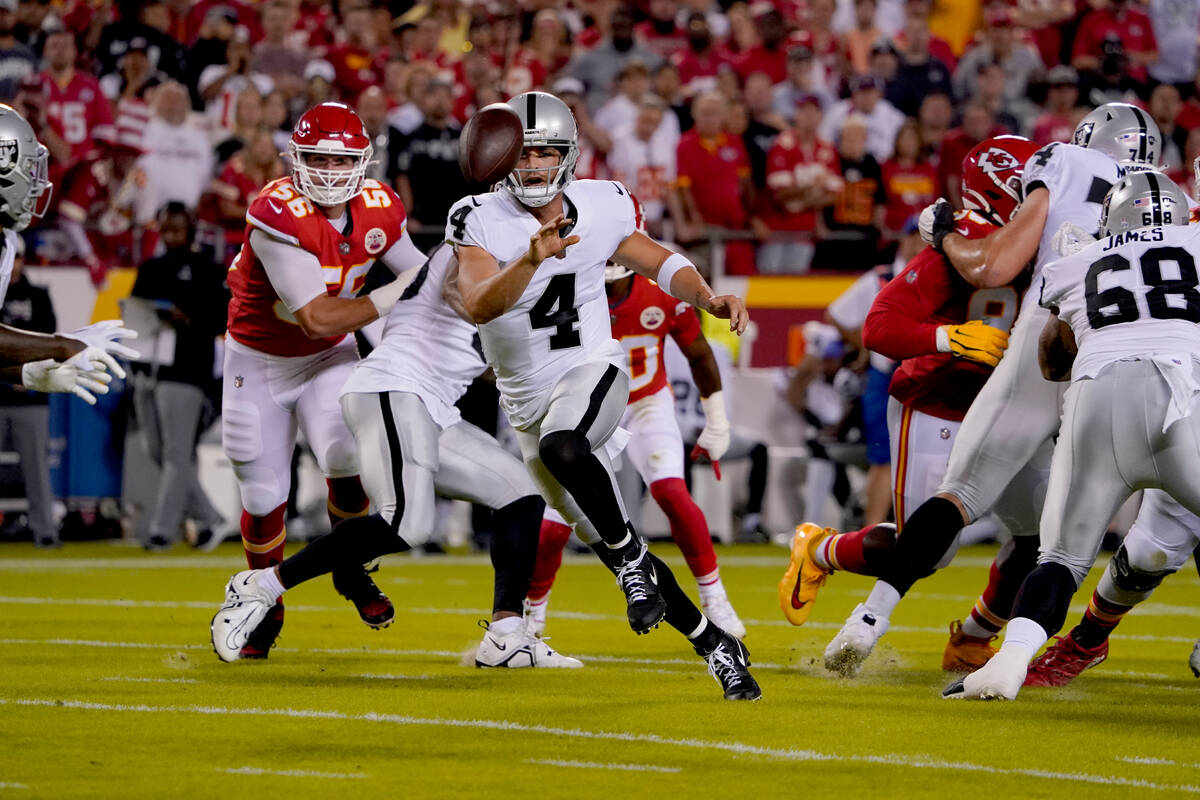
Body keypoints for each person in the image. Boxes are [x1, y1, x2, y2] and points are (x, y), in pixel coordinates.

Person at [827, 104, 1169, 674]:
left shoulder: (1063, 161)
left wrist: (945, 235)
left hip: (1054, 338)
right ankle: (1030, 648)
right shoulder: (1169, 201)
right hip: (1140, 362)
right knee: (1079, 536)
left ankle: (870, 622)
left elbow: (991, 266)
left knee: (962, 496)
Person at [236, 243, 581, 668]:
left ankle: (507, 635)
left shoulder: (533, 263)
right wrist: (523, 305)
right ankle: (262, 585)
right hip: (394, 388)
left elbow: (496, 361)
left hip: (434, 407)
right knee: (407, 522)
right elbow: (469, 298)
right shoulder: (478, 231)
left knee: (521, 495)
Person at [781, 137, 1045, 677]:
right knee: (927, 548)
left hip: (1010, 408)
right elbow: (879, 327)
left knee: (1040, 536)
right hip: (938, 402)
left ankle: (974, 639)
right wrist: (951, 337)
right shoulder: (955, 248)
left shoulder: (1050, 240)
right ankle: (821, 549)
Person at [946, 171, 1200, 700]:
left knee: (1060, 560)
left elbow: (1052, 361)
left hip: (1098, 399)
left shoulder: (1074, 261)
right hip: (1183, 403)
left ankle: (1008, 666)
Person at [212, 102, 428, 659]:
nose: (329, 172)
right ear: (295, 158)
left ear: (363, 161)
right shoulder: (275, 210)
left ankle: (349, 569)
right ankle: (264, 602)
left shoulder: (381, 207)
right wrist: (394, 295)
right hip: (258, 361)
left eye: (340, 160)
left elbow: (424, 273)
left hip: (328, 358)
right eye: (316, 158)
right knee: (264, 495)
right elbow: (317, 315)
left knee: (346, 459)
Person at [527, 259, 746, 639]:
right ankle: (532, 619)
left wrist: (717, 420)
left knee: (672, 493)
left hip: (645, 401)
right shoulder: (569, 287)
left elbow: (698, 353)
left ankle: (715, 599)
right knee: (555, 524)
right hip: (586, 405)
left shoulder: (661, 291)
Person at [0, 105, 135, 400]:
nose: (35, 183)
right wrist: (61, 344)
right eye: (27, 170)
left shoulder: (6, 240)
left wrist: (25, 373)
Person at [128, 203, 227, 552]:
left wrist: (187, 319)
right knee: (159, 451)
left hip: (187, 371)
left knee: (175, 453)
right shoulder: (150, 268)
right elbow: (135, 315)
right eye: (165, 229)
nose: (170, 236)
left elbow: (221, 319)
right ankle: (211, 516)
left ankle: (162, 530)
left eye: (176, 229)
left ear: (191, 231)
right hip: (150, 366)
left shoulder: (208, 270)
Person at [0, 237, 59, 547]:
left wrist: (29, 375)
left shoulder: (37, 296)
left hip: (31, 395)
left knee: (37, 468)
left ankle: (45, 530)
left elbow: (49, 341)